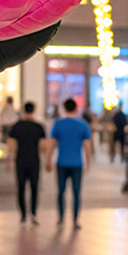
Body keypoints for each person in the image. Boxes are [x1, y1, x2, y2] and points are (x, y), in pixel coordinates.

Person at [46, 98, 92, 230]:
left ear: (64, 108)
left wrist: (48, 159)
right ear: (76, 109)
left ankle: (61, 218)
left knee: (61, 191)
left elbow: (52, 144)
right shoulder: (83, 125)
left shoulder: (58, 124)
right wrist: (88, 162)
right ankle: (75, 219)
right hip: (77, 163)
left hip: (62, 163)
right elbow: (87, 146)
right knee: (77, 192)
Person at [6, 102, 46, 225]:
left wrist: (9, 161)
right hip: (34, 160)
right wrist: (47, 159)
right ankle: (33, 213)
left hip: (21, 160)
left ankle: (23, 214)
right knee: (34, 187)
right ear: (34, 110)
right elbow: (43, 146)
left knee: (21, 187)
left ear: (24, 110)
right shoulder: (39, 127)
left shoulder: (17, 126)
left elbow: (11, 146)